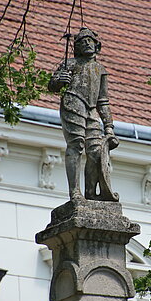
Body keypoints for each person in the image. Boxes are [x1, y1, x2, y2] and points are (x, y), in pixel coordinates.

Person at [48, 27, 119, 201]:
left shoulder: (100, 69)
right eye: (82, 42)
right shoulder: (70, 63)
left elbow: (103, 100)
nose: (86, 44)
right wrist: (59, 80)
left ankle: (90, 193)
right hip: (73, 103)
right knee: (76, 145)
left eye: (90, 41)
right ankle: (75, 192)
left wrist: (109, 126)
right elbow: (52, 85)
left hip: (92, 109)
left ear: (97, 46)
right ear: (76, 47)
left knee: (96, 152)